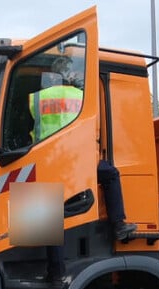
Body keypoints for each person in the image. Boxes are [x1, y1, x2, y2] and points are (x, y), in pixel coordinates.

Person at [28, 56, 137, 242]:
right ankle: (119, 225)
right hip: (78, 160)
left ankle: (43, 253)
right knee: (110, 174)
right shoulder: (82, 96)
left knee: (49, 222)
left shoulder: (36, 97)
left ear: (53, 76)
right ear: (67, 75)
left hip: (46, 159)